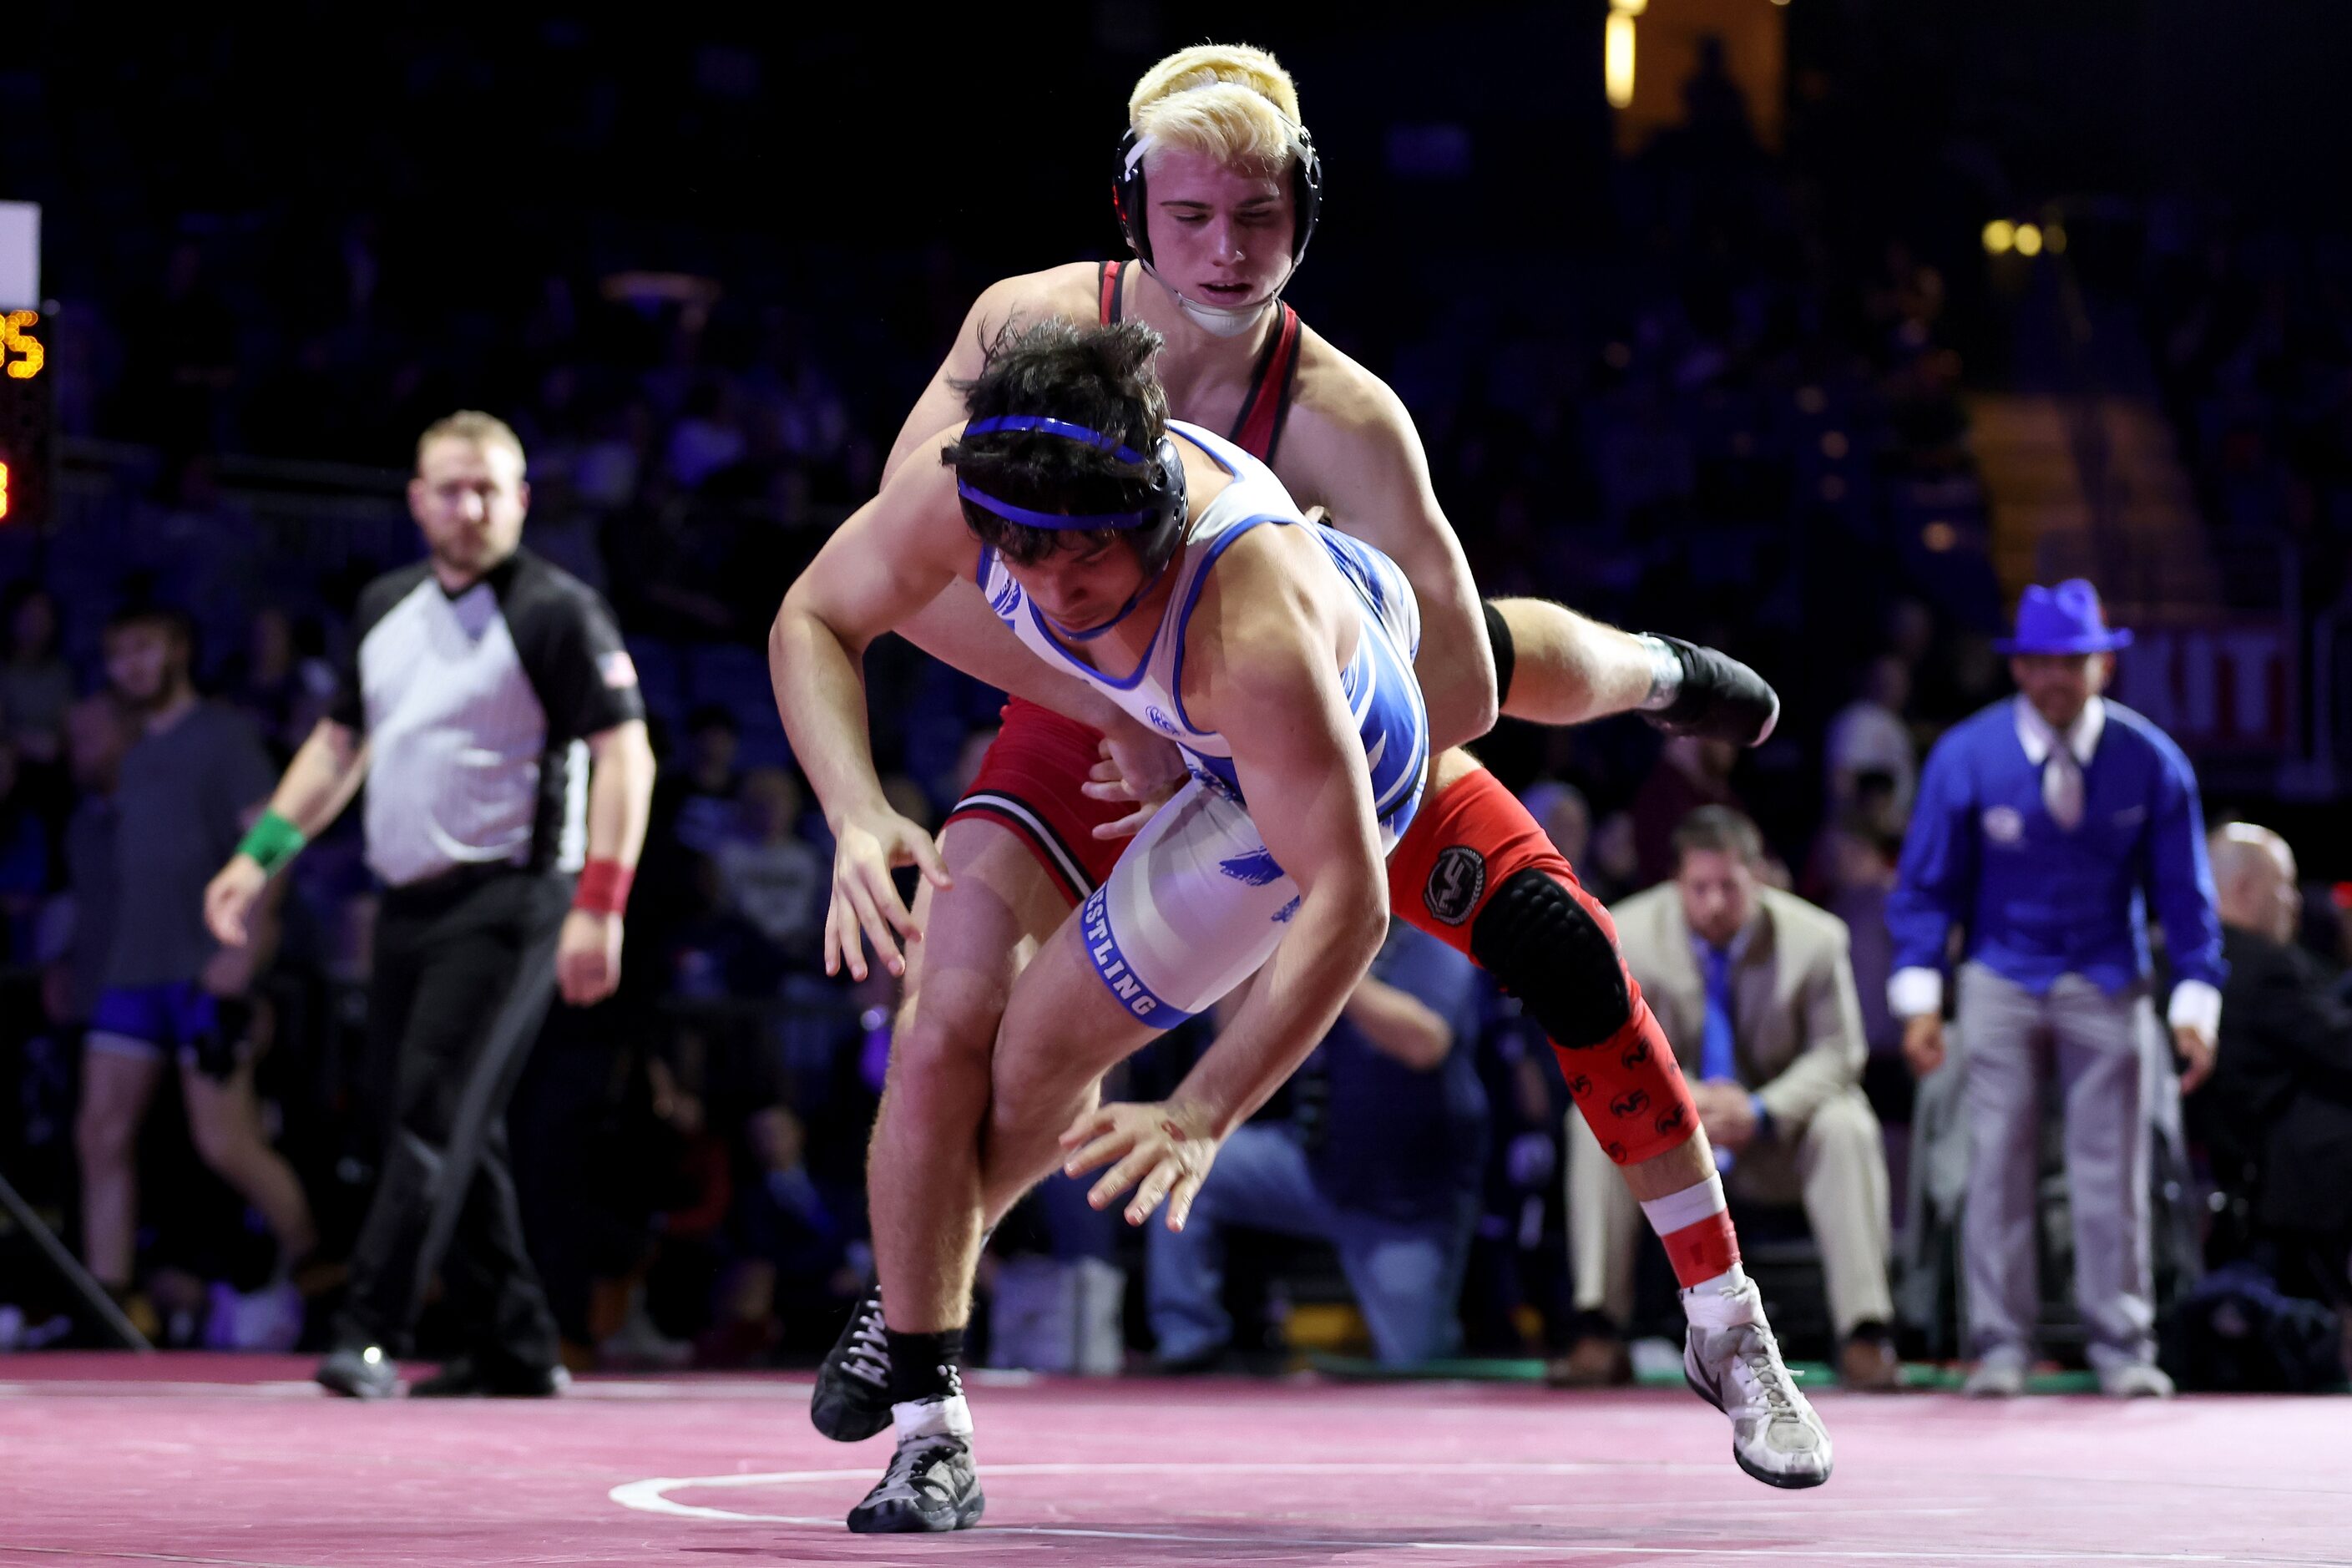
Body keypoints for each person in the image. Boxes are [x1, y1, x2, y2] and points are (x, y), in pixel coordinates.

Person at [809, 39, 1825, 1505]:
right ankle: (921, 1348)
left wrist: (1229, 729)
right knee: (957, 1023)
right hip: (1089, 694)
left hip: (1289, 718)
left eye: (1259, 215)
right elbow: (907, 565)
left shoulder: (1344, 415)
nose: (1226, 250)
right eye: (1192, 216)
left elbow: (1460, 693)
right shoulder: (1026, 339)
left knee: (1554, 926)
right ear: (1131, 211)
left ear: (1308, 209)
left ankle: (1727, 1320)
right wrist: (1119, 709)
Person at [203, 411, 656, 1399]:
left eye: (491, 488)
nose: (471, 507)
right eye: (452, 488)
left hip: (515, 898)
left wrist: (601, 902)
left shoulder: (558, 611)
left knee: (426, 1112)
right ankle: (516, 1343)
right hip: (406, 906)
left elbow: (628, 754)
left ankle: (371, 1328)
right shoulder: (383, 606)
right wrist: (259, 855)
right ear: (417, 500)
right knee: (447, 1120)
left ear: (522, 499)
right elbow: (337, 749)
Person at [1889, 579, 2223, 1399]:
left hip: (2107, 977)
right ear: (2018, 669)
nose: (2056, 678)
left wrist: (2194, 1001)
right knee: (1993, 1162)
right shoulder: (1966, 757)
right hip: (2000, 976)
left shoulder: (2152, 763)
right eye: (2040, 661)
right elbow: (1927, 887)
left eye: (2072, 661)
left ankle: (2122, 1343)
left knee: (2112, 1168)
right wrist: (1921, 998)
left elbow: (2186, 896)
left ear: (2102, 664)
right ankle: (2000, 1344)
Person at [1558, 808, 1898, 1391]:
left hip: (1775, 1143)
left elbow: (1839, 1054)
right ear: (1676, 883)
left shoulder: (1817, 941)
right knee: (1588, 1123)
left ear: (1758, 878)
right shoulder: (1626, 935)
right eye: (1699, 888)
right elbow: (1603, 1044)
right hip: (1667, 1145)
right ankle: (1597, 1328)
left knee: (1847, 1125)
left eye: (1729, 887)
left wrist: (1760, 1110)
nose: (1714, 902)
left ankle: (1866, 1333)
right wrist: (1684, 1102)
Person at [75, 605, 316, 1326]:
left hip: (204, 969)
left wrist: (247, 947)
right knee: (100, 1133)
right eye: (119, 653)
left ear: (179, 650)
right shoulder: (133, 754)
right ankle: (108, 1303)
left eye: (145, 648)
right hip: (130, 972)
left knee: (225, 1142)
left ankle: (319, 1267)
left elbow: (274, 836)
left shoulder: (224, 735)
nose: (133, 667)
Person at [1148, 919, 1488, 1368]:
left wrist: (1333, 960)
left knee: (1416, 1372)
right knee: (1186, 1163)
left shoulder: (1429, 935)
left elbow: (1425, 1043)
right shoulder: (1310, 934)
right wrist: (1256, 945)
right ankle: (1190, 1346)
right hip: (1315, 1168)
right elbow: (1235, 1037)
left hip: (1404, 1209)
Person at [2200, 824, 2352, 1340]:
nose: (2295, 903)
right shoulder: (2262, 965)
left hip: (2232, 1153)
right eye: (2284, 886)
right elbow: (2341, 1050)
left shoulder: (2177, 956)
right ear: (2244, 889)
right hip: (2276, 1166)